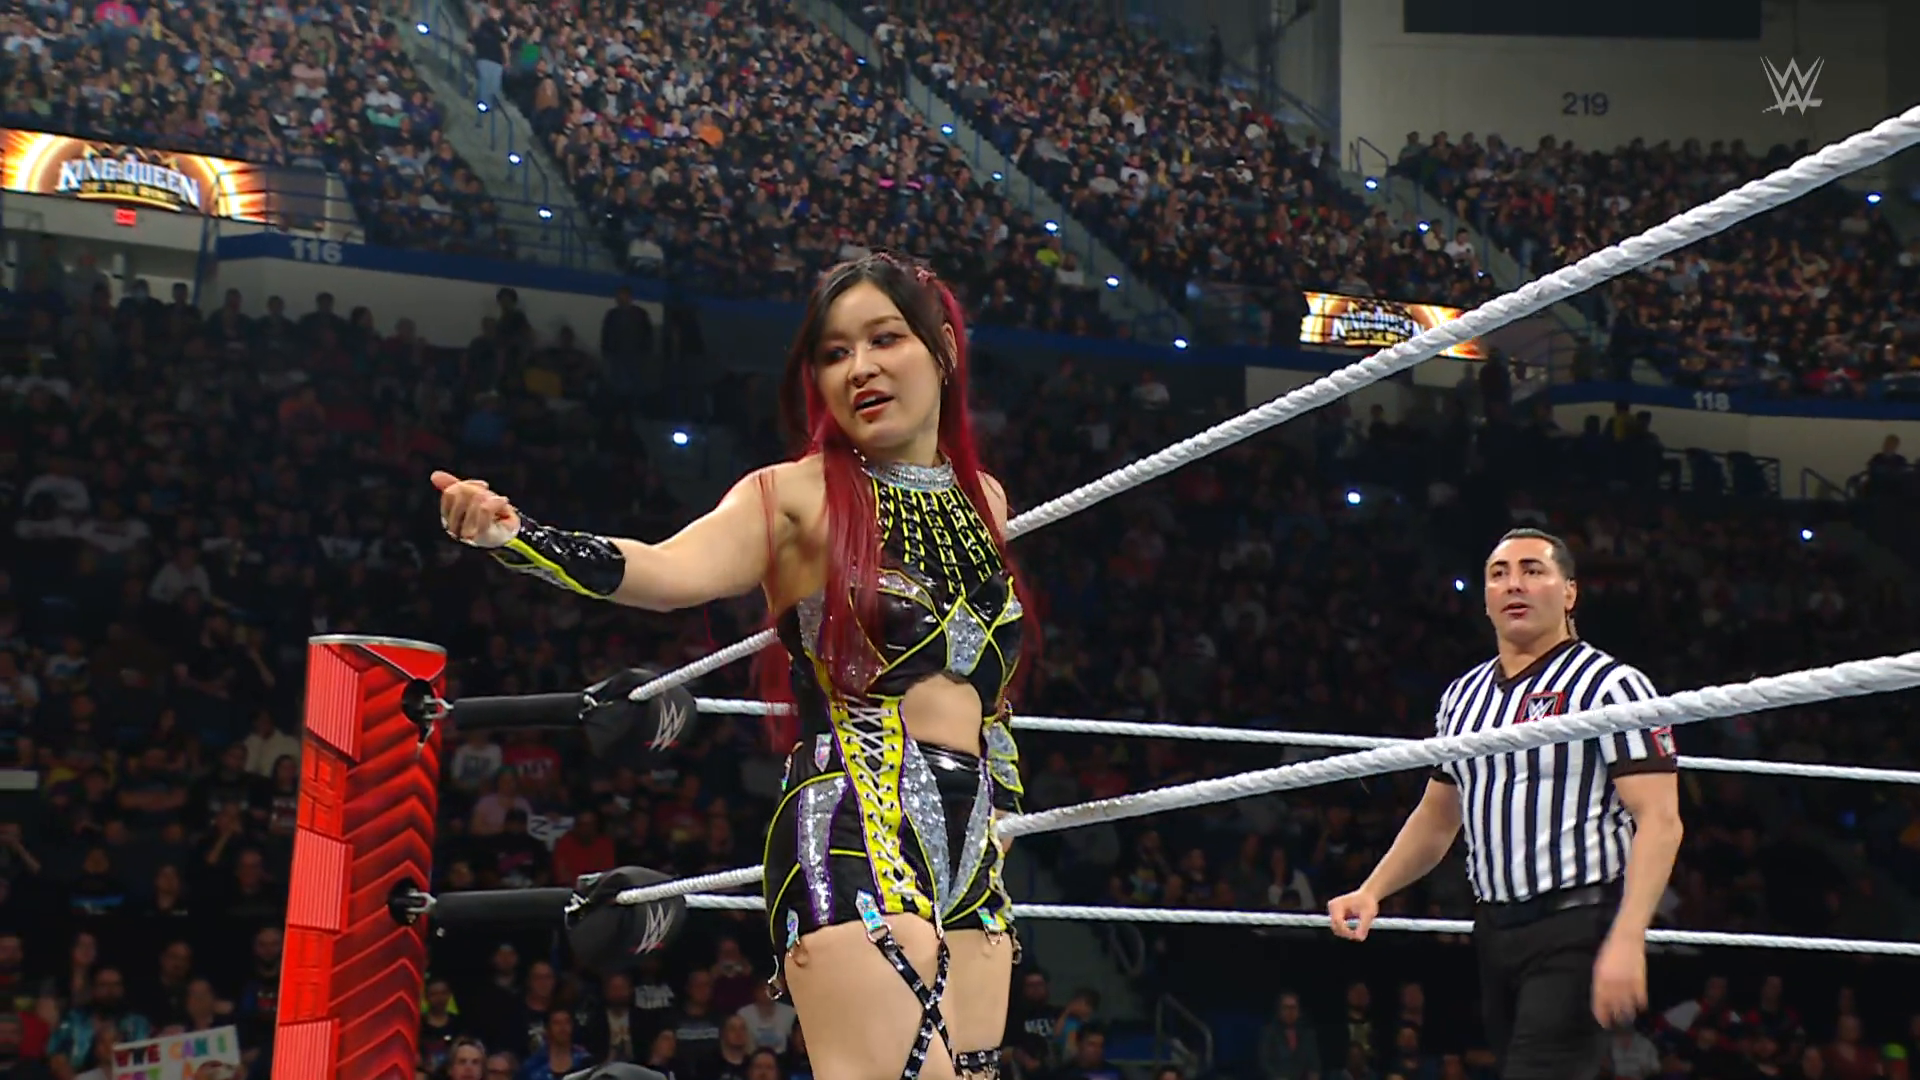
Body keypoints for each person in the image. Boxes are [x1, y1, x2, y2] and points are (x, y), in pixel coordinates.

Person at [433, 252, 1032, 1080]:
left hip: (976, 845)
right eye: (834, 352)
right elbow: (662, 572)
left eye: (884, 339)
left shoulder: (984, 500)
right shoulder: (794, 496)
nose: (859, 368)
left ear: (944, 351)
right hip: (857, 825)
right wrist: (517, 535)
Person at [1324, 528, 1684, 1080]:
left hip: (1579, 924)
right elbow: (1438, 817)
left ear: (1569, 592)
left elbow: (1660, 820)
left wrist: (1628, 936)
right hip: (1494, 930)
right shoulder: (1462, 697)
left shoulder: (1613, 686)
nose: (1514, 584)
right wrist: (1373, 890)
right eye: (1499, 574)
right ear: (1486, 597)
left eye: (1533, 570)